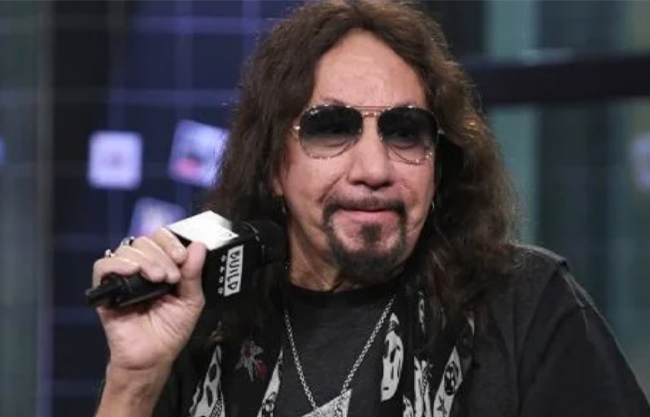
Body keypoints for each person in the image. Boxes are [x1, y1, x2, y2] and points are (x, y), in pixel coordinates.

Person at [91, 1, 650, 416]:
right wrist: (134, 381)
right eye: (332, 129)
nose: (374, 168)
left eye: (405, 132)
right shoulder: (202, 321)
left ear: (439, 164)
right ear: (273, 166)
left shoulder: (524, 302)